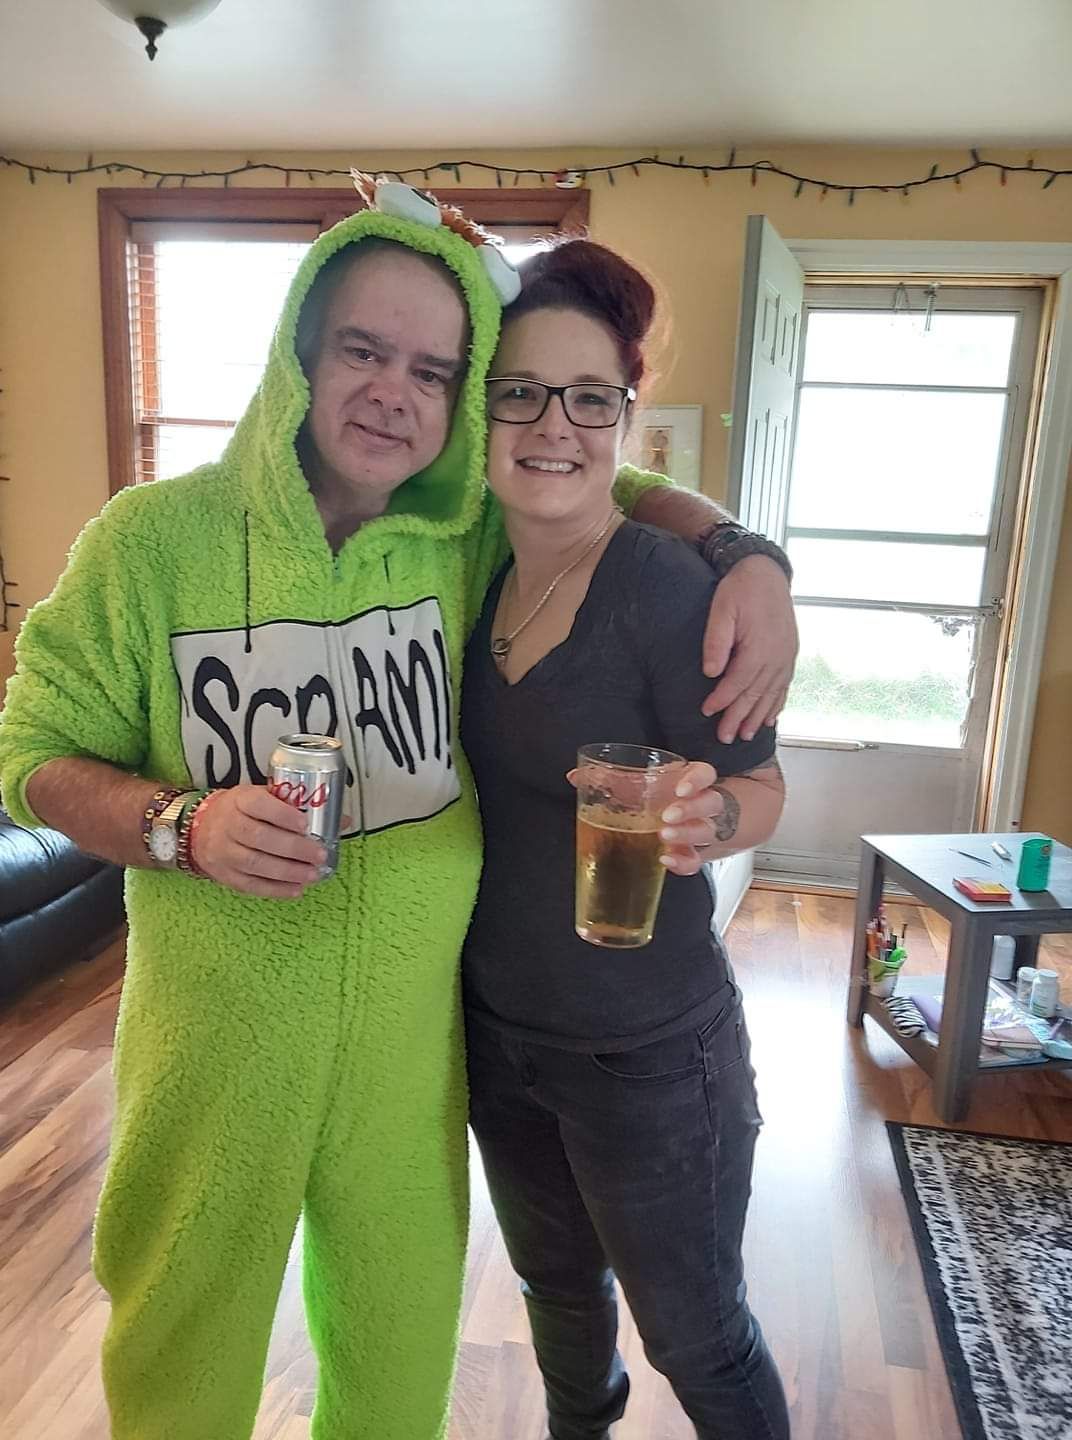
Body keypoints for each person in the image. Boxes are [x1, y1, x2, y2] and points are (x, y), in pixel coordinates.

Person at [0, 182, 795, 1440]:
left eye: (432, 370)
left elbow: (595, 478)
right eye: (365, 352)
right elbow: (35, 752)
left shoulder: (460, 536)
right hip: (216, 1052)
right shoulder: (150, 542)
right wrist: (178, 824)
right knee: (180, 1339)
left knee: (402, 1347)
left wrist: (749, 552)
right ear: (298, 358)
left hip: (415, 1054)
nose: (394, 393)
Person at [461, 238, 791, 1440]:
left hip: (653, 1059)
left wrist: (713, 815)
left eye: (590, 397)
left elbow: (763, 787)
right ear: (479, 411)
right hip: (496, 1040)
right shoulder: (462, 566)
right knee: (556, 1293)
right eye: (520, 392)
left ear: (625, 416)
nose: (554, 425)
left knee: (698, 1338)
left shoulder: (668, 591)